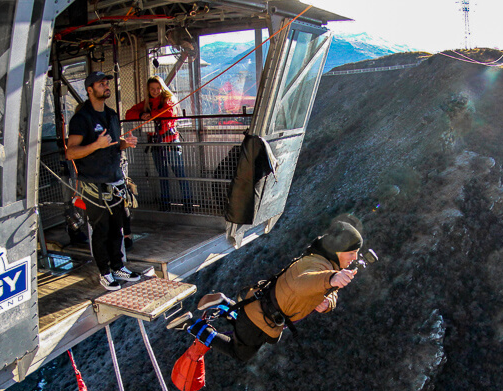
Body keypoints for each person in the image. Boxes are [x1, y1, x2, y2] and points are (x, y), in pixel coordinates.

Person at [167, 221, 363, 362]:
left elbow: (325, 289)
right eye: (351, 252)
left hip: (259, 308)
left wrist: (329, 302)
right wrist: (329, 280)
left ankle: (223, 303)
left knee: (241, 329)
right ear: (338, 249)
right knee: (239, 353)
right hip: (260, 319)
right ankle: (188, 324)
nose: (354, 257)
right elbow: (302, 283)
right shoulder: (318, 265)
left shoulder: (322, 260)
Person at [66, 71, 149, 291]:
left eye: (106, 83)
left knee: (117, 228)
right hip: (94, 185)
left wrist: (124, 143)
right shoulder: (81, 118)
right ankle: (104, 271)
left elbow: (112, 144)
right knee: (100, 229)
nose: (105, 86)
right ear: (90, 90)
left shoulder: (112, 115)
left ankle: (118, 265)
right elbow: (71, 153)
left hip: (114, 182)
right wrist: (96, 145)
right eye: (100, 83)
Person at [125, 76, 192, 211]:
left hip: (171, 143)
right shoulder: (147, 103)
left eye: (157, 88)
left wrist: (148, 114)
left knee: (180, 173)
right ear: (148, 90)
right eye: (152, 89)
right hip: (156, 144)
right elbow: (128, 114)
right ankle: (165, 203)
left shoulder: (169, 100)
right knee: (162, 175)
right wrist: (141, 115)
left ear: (162, 88)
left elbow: (168, 112)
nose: (155, 91)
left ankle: (188, 203)